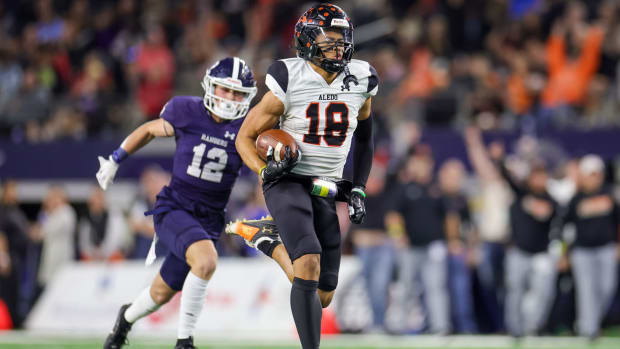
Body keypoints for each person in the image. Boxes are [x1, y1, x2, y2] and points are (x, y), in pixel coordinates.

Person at [228, 4, 377, 348]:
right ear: (307, 42)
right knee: (308, 263)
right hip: (288, 178)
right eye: (329, 39)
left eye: (342, 39)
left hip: (326, 183)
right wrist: (266, 171)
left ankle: (268, 240)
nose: (338, 47)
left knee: (322, 294)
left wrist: (358, 188)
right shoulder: (289, 75)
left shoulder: (362, 77)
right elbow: (244, 138)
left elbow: (367, 135)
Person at [97, 57, 265, 349]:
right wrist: (115, 158)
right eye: (225, 90)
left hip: (209, 218)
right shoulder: (187, 111)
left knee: (161, 293)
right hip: (176, 207)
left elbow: (262, 170)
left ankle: (125, 319)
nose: (230, 98)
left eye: (238, 93)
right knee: (207, 260)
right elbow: (149, 129)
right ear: (211, 86)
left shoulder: (247, 128)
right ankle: (184, 342)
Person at [385, 146, 451, 335]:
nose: (421, 167)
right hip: (410, 247)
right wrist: (398, 235)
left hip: (433, 246)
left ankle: (440, 327)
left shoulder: (437, 188)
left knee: (436, 288)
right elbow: (393, 215)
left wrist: (450, 241)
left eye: (425, 163)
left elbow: (449, 217)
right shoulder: (405, 188)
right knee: (404, 287)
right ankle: (398, 325)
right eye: (418, 162)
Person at [562, 155, 619, 339]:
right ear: (584, 176)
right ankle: (589, 330)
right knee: (586, 290)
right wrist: (564, 253)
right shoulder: (575, 199)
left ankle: (589, 323)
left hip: (606, 248)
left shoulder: (611, 195)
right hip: (582, 250)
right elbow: (564, 227)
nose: (594, 177)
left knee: (606, 288)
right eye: (590, 174)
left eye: (596, 174)